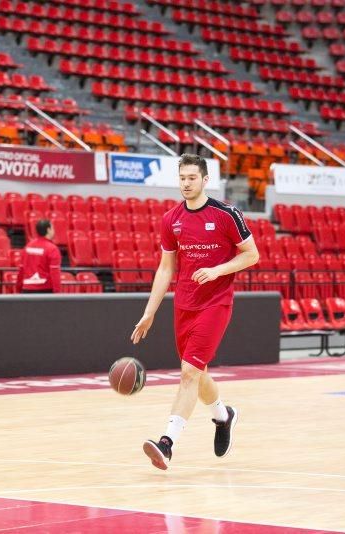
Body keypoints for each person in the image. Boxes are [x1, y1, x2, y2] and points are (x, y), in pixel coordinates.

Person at [131, 153, 259, 470]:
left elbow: (252, 255)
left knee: (188, 373)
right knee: (197, 374)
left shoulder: (228, 215)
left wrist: (218, 271)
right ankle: (223, 416)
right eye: (182, 178)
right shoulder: (170, 220)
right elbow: (165, 269)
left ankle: (167, 443)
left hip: (216, 303)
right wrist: (150, 312)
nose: (186, 184)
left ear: (204, 180)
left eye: (192, 178)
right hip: (183, 304)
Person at [16, 219, 62, 294]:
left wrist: (18, 289)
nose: (54, 230)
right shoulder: (52, 249)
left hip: (27, 289)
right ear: (48, 230)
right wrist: (57, 293)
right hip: (45, 290)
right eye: (53, 228)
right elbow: (55, 273)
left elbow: (21, 269)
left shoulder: (28, 246)